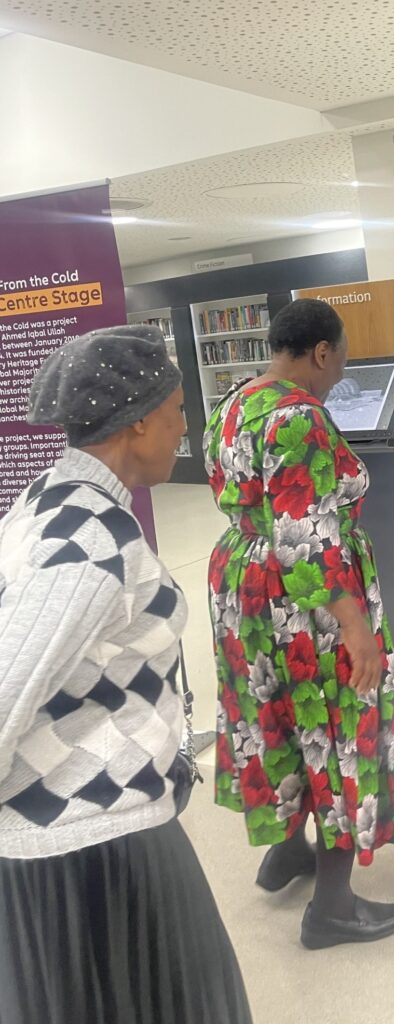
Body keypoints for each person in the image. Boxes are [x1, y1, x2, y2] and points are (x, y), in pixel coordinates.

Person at [0, 325, 251, 1024]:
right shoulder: (91, 541)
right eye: (175, 408)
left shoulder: (52, 499)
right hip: (89, 841)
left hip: (91, 826)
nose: (184, 425)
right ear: (139, 420)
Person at [203, 298, 394, 950]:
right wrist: (355, 628)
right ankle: (332, 906)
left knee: (279, 717)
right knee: (337, 726)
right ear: (322, 352)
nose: (341, 371)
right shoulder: (302, 420)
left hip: (244, 589)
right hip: (307, 606)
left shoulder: (235, 403)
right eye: (342, 357)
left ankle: (287, 850)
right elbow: (306, 537)